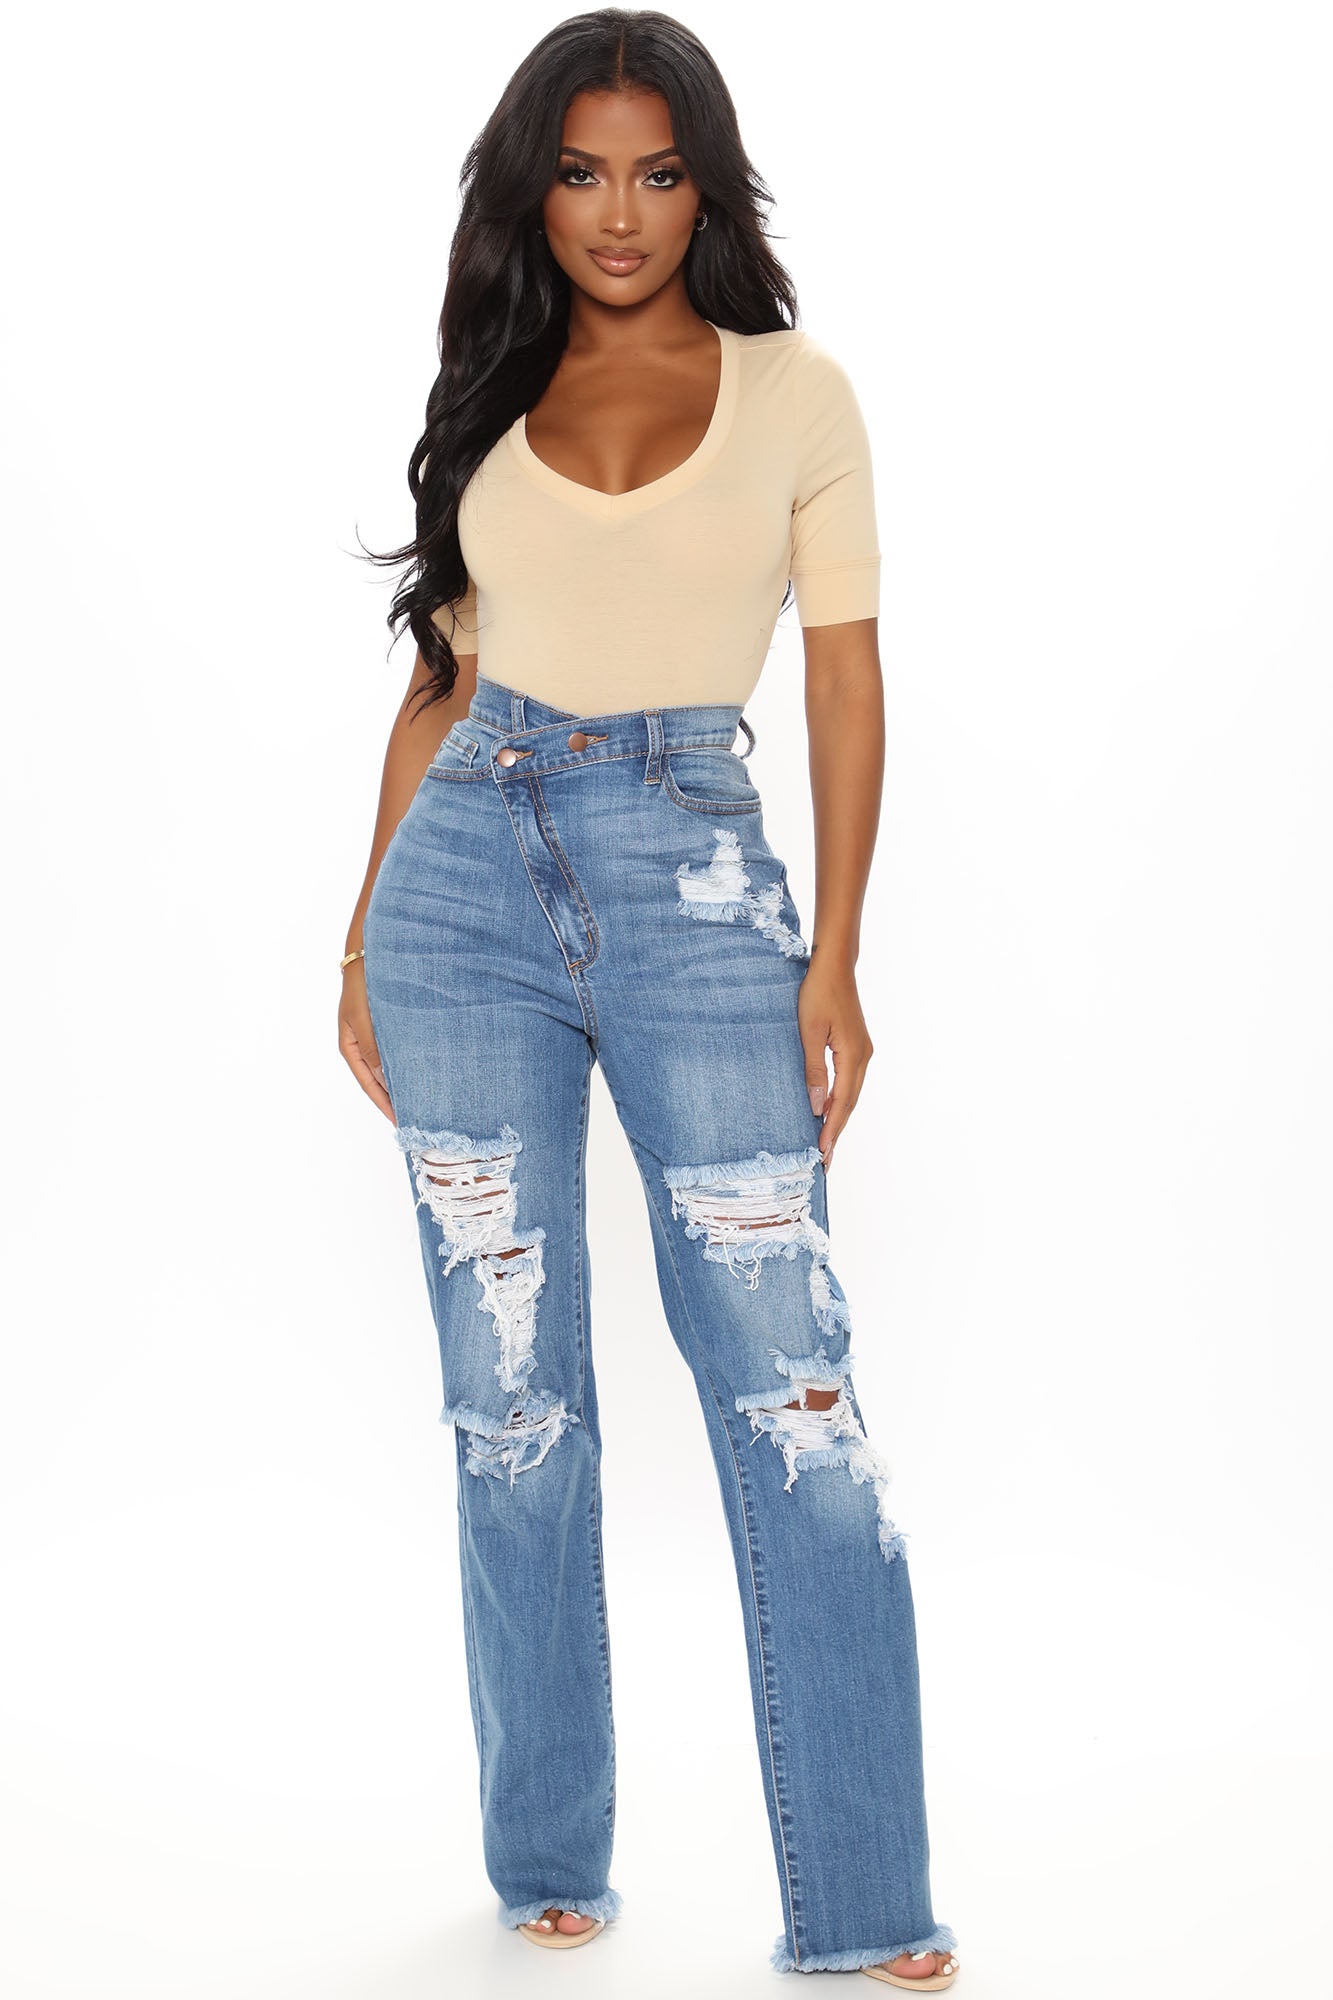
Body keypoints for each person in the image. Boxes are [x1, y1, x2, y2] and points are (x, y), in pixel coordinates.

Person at [338, 10, 960, 1988]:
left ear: (709, 185)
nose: (619, 212)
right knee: (510, 1399)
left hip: (697, 880)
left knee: (793, 1393)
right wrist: (357, 936)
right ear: (534, 192)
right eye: (583, 171)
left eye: (659, 171)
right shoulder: (492, 385)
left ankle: (862, 1903)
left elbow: (846, 674)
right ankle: (545, 1851)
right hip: (462, 888)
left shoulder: (796, 393)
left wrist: (834, 951)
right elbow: (440, 683)